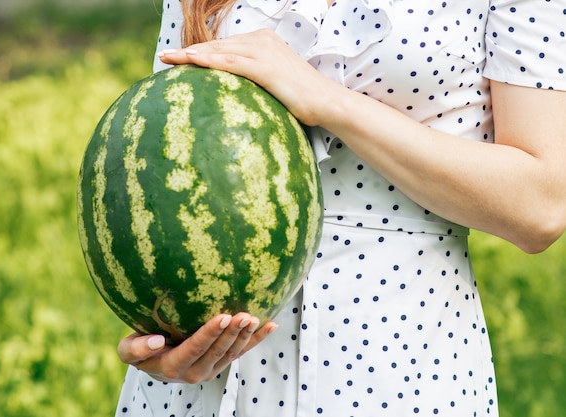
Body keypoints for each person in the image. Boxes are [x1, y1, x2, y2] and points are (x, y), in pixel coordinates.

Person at [115, 0, 566, 415]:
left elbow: (541, 206)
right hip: (209, 374)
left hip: (398, 365)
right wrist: (164, 338)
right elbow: (163, 151)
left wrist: (328, 101)